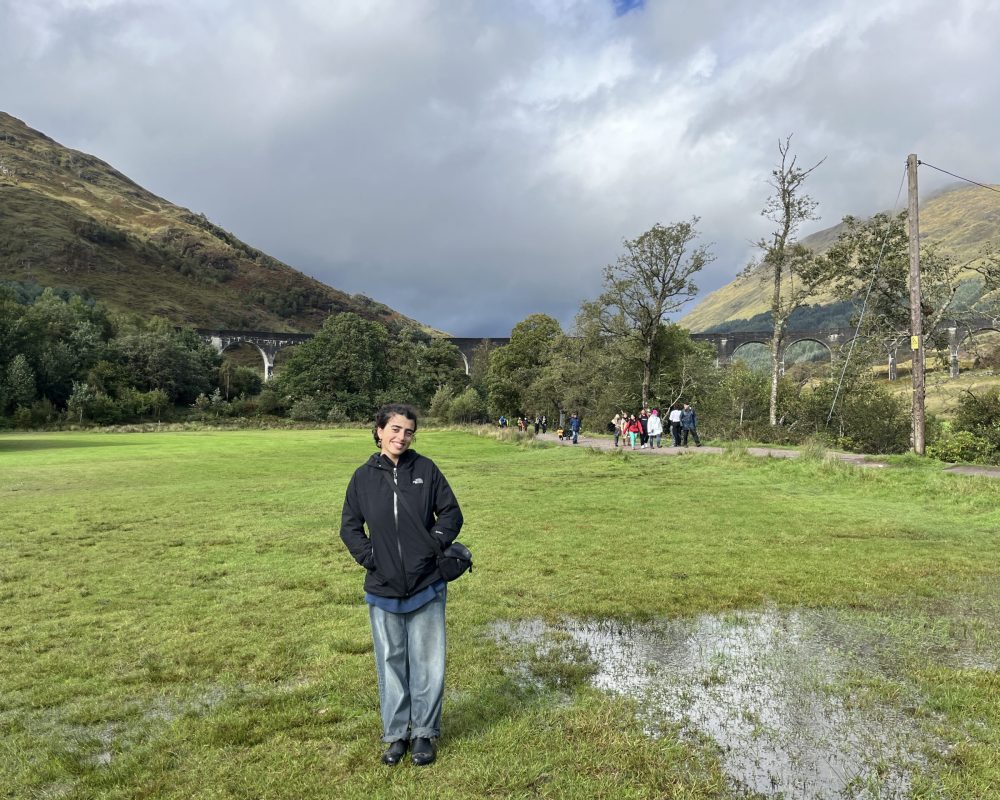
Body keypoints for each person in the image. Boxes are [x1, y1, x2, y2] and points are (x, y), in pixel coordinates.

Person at [340, 403, 464, 767]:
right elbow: (349, 526)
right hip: (383, 588)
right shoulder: (362, 478)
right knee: (391, 663)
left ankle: (424, 733)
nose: (402, 437)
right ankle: (396, 736)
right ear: (379, 430)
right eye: (395, 429)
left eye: (409, 432)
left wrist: (432, 545)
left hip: (427, 583)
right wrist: (371, 558)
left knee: (427, 663)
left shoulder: (426, 469)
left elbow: (451, 513)